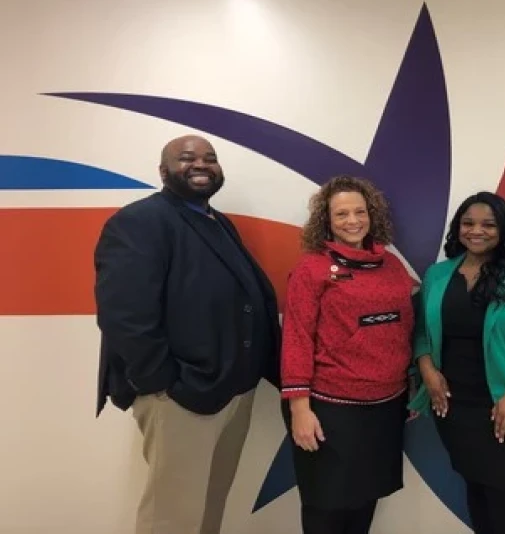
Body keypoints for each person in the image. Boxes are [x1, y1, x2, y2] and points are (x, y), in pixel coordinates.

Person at [93, 135, 281, 534]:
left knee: (209, 509)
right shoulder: (139, 221)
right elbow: (125, 315)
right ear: (163, 171)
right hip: (180, 397)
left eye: (210, 158)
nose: (201, 164)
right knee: (172, 519)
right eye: (187, 158)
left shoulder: (216, 221)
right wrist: (163, 385)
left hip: (229, 391)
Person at [409, 191, 505, 534]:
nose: (476, 230)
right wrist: (427, 371)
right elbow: (420, 331)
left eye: (488, 224)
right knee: (477, 494)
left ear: (504, 229)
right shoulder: (437, 275)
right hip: (455, 409)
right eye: (468, 223)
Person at [280, 175, 416, 534]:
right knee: (326, 506)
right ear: (327, 220)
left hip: (386, 406)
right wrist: (299, 408)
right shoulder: (312, 268)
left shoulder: (392, 266)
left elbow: (405, 329)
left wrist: (413, 382)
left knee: (364, 501)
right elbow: (296, 337)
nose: (353, 221)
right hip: (330, 407)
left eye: (360, 211)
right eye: (342, 214)